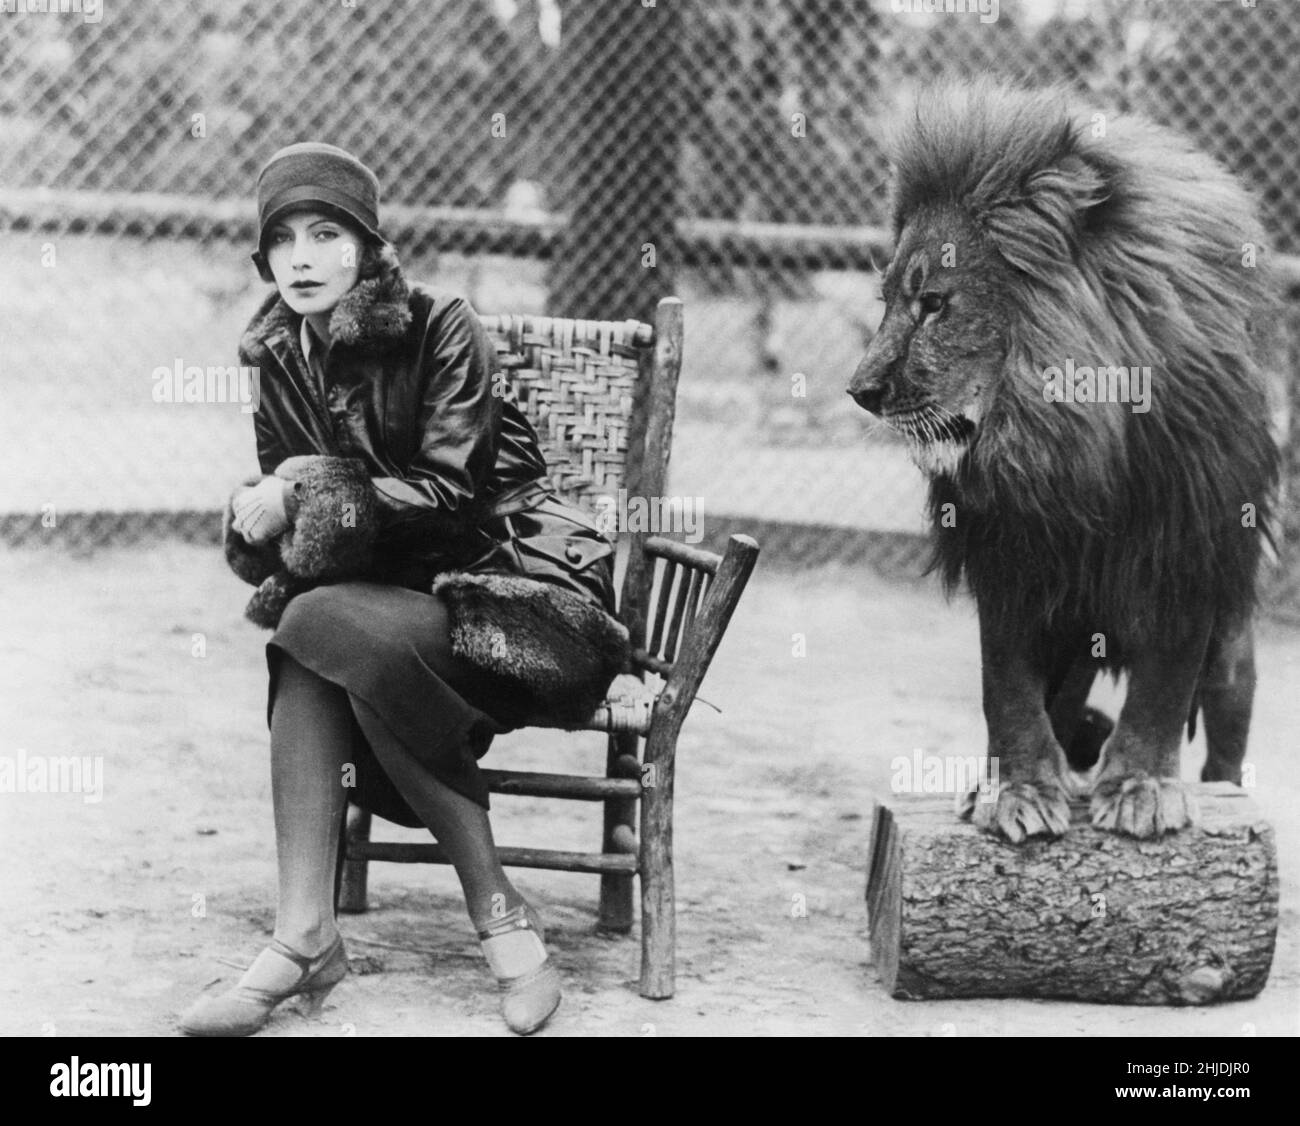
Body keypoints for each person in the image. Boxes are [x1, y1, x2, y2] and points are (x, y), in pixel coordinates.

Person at [178, 142, 625, 1037]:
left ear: (369, 246)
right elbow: (309, 547)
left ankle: (378, 926)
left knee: (323, 630)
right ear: (263, 259)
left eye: (325, 233)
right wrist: (265, 518)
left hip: (506, 593)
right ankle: (366, 929)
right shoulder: (276, 356)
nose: (300, 258)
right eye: (281, 240)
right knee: (320, 626)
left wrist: (303, 492)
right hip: (376, 614)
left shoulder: (441, 325)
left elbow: (455, 500)